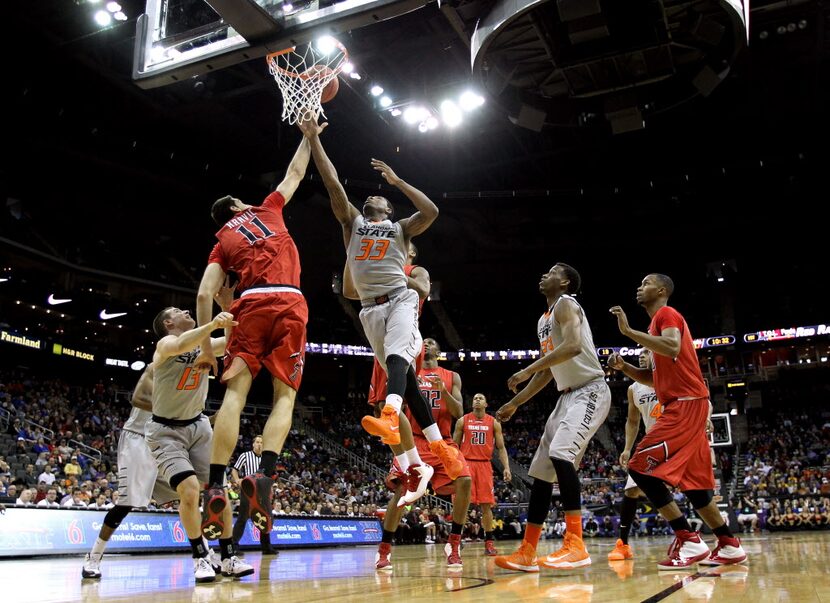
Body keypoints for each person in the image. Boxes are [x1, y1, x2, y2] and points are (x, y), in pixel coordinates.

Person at [298, 114, 463, 504]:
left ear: (387, 208)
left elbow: (432, 212)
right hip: (370, 310)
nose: (370, 197)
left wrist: (398, 182)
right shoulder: (351, 221)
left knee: (395, 365)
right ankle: (437, 451)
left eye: (378, 197)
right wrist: (313, 140)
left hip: (401, 300)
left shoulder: (401, 228)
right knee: (402, 377)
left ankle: (391, 417)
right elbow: (332, 182)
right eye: (369, 196)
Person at [195, 135, 312, 541]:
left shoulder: (220, 245)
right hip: (290, 302)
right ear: (237, 206)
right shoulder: (267, 207)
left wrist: (207, 346)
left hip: (250, 304)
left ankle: (214, 483)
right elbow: (296, 171)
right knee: (285, 398)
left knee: (234, 397)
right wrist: (309, 136)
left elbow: (204, 294)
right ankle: (265, 476)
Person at [608, 273, 747, 569]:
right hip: (688, 403)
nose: (638, 286)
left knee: (640, 468)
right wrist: (625, 367)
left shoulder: (666, 314)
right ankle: (729, 544)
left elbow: (671, 346)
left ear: (660, 290)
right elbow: (653, 379)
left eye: (644, 283)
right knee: (695, 487)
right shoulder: (655, 325)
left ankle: (688, 539)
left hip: (684, 405)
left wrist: (628, 331)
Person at [494, 263, 611, 572]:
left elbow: (572, 347)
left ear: (566, 281)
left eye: (552, 271)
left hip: (590, 390)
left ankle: (576, 544)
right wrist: (515, 403)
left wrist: (527, 368)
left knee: (561, 455)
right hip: (566, 395)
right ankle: (527, 551)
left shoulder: (567, 304)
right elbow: (548, 371)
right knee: (542, 474)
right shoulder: (542, 320)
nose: (544, 274)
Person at [146, 306, 253, 583]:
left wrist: (230, 309)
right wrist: (213, 324)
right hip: (166, 430)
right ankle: (200, 557)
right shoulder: (166, 344)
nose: (185, 309)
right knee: (190, 491)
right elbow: (182, 343)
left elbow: (230, 342)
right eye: (176, 311)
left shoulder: (203, 343)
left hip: (199, 425)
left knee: (219, 489)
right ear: (168, 322)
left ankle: (228, 556)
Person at [375, 338, 472, 571]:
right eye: (424, 341)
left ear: (438, 350)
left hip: (442, 440)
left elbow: (459, 412)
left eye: (431, 342)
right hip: (414, 441)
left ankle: (454, 544)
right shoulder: (409, 369)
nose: (426, 344)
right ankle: (384, 550)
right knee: (401, 491)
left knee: (465, 481)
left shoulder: (451, 376)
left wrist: (443, 392)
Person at [607, 349, 661, 562]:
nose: (641, 355)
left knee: (692, 489)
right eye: (640, 352)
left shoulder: (667, 376)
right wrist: (628, 448)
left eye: (647, 351)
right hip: (652, 444)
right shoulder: (633, 388)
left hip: (677, 439)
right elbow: (632, 421)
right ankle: (623, 544)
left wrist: (705, 417)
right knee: (631, 490)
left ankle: (715, 538)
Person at [453, 392, 511, 556]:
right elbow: (454, 445)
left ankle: (489, 543)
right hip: (466, 464)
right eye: (475, 398)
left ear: (486, 404)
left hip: (485, 465)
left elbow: (501, 448)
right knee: (462, 505)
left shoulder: (494, 423)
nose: (477, 399)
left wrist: (506, 467)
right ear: (472, 404)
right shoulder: (462, 421)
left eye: (480, 398)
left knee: (486, 505)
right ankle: (457, 540)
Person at [230, 435, 276, 554]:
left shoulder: (266, 460)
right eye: (257, 442)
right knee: (243, 517)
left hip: (262, 491)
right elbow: (234, 470)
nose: (259, 444)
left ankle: (266, 547)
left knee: (265, 517)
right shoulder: (245, 455)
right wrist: (237, 480)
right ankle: (234, 545)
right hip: (248, 490)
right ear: (253, 444)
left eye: (261, 442)